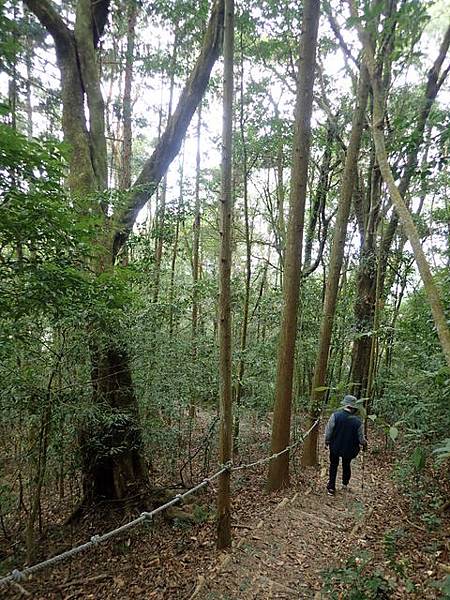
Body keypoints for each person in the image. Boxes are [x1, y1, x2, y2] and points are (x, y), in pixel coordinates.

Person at [324, 394, 367, 496]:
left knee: (333, 465)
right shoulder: (358, 422)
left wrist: (327, 441)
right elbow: (361, 438)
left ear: (345, 405)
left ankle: (331, 487)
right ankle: (345, 484)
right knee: (346, 465)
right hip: (349, 449)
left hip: (335, 446)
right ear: (353, 408)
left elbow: (329, 431)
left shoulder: (335, 416)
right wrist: (365, 444)